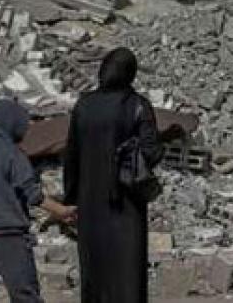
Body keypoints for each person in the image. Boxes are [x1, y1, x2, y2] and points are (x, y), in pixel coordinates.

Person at [63, 47, 162, 303]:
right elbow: (152, 152)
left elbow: (71, 156)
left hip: (90, 206)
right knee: (127, 276)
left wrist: (72, 197)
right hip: (126, 206)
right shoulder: (138, 106)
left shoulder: (83, 106)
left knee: (95, 275)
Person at [0, 98, 75, 303]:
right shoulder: (14, 156)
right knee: (25, 293)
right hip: (10, 236)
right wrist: (62, 210)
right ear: (14, 125)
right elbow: (33, 194)